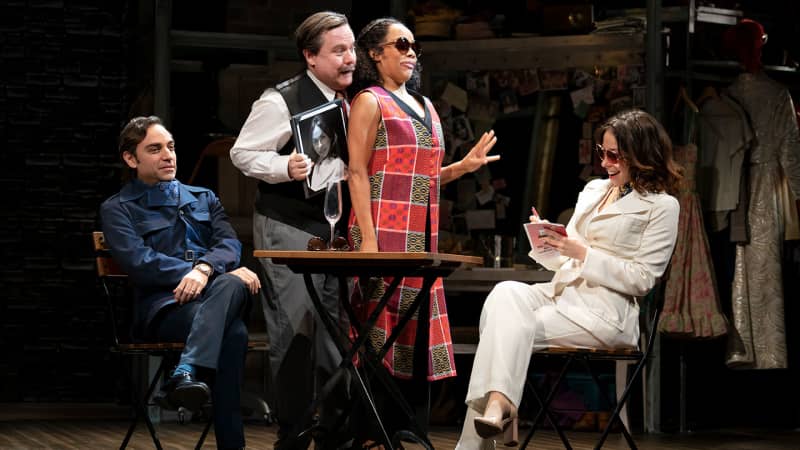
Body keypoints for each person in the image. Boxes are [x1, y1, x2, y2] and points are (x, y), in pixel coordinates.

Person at [456, 109, 682, 449]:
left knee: (503, 326)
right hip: (562, 296)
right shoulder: (594, 190)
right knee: (505, 294)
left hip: (606, 313)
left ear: (641, 154)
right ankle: (500, 404)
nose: (604, 162)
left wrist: (580, 253)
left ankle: (484, 429)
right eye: (601, 152)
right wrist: (549, 240)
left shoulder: (662, 207)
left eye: (613, 155)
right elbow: (566, 258)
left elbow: (643, 279)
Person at [345, 17, 498, 439]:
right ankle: (371, 432)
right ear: (375, 54)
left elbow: (421, 177)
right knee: (380, 328)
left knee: (414, 327)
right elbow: (357, 172)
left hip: (419, 231)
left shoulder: (426, 106)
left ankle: (403, 428)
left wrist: (462, 168)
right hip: (381, 231)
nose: (411, 52)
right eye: (401, 44)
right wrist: (369, 244)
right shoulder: (369, 101)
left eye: (414, 46)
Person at [229, 11, 355, 449]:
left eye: (352, 48)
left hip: (333, 228)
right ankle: (295, 431)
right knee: (296, 330)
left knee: (336, 332)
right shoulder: (280, 100)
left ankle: (335, 431)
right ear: (310, 56)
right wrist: (284, 166)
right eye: (338, 50)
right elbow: (242, 153)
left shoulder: (351, 99)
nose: (349, 58)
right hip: (288, 224)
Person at [100, 116, 261, 450]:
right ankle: (233, 446)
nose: (168, 155)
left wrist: (204, 271)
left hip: (213, 301)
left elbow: (229, 245)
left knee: (231, 287)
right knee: (234, 332)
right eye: (155, 149)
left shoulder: (204, 198)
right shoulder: (118, 209)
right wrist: (208, 271)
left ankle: (186, 370)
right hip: (165, 308)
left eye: (171, 147)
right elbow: (140, 263)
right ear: (131, 159)